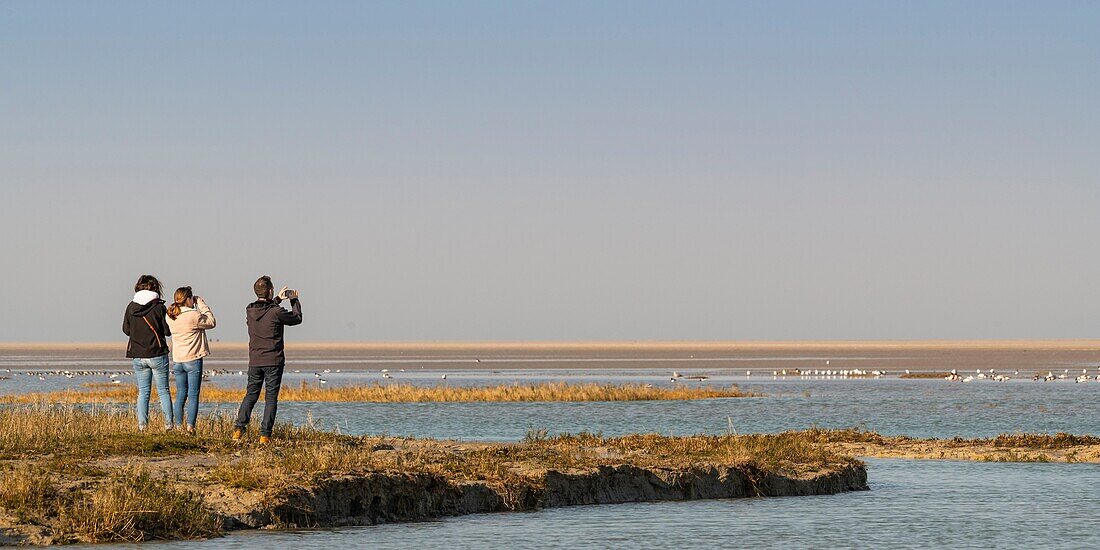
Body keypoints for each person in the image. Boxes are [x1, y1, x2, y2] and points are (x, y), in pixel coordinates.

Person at [233, 275, 302, 443]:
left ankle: (238, 430)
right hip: (273, 360)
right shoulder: (276, 311)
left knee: (251, 395)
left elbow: (265, 310)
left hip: (255, 361)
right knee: (270, 398)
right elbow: (297, 318)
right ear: (270, 291)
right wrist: (294, 300)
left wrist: (277, 298)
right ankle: (265, 435)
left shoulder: (250, 310)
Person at [122, 274, 174, 431]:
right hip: (157, 354)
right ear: (155, 288)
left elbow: (126, 330)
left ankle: (142, 426)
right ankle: (168, 425)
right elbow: (167, 331)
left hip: (138, 355)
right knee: (163, 391)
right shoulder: (159, 307)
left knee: (143, 393)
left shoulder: (131, 306)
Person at [164, 286, 216, 433]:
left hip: (178, 360)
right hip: (193, 359)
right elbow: (211, 322)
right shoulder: (193, 315)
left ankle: (179, 425)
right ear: (188, 299)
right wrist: (201, 303)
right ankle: (190, 426)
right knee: (193, 394)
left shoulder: (170, 315)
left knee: (181, 393)